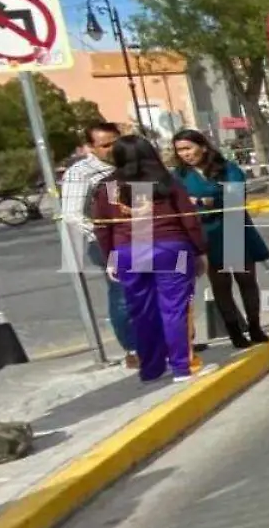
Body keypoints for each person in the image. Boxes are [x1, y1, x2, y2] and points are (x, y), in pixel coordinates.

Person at [90, 135, 213, 384]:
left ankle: (151, 368)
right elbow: (189, 219)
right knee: (175, 308)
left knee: (141, 310)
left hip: (129, 251)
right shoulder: (167, 181)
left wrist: (110, 257)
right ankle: (182, 367)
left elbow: (103, 228)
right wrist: (199, 251)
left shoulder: (108, 187)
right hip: (171, 250)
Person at [171, 129, 269, 349]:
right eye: (180, 150)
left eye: (188, 148)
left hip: (234, 227)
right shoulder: (179, 176)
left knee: (246, 280)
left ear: (203, 146)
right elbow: (179, 203)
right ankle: (234, 331)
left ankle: (255, 326)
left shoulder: (227, 169)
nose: (185, 154)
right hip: (206, 234)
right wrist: (206, 201)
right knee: (221, 284)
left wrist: (202, 201)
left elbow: (235, 196)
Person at [60, 123, 139, 370]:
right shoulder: (80, 173)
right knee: (123, 295)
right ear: (90, 148)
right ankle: (133, 349)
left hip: (145, 237)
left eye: (116, 141)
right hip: (110, 243)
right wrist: (101, 234)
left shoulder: (132, 164)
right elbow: (71, 215)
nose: (113, 148)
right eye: (105, 145)